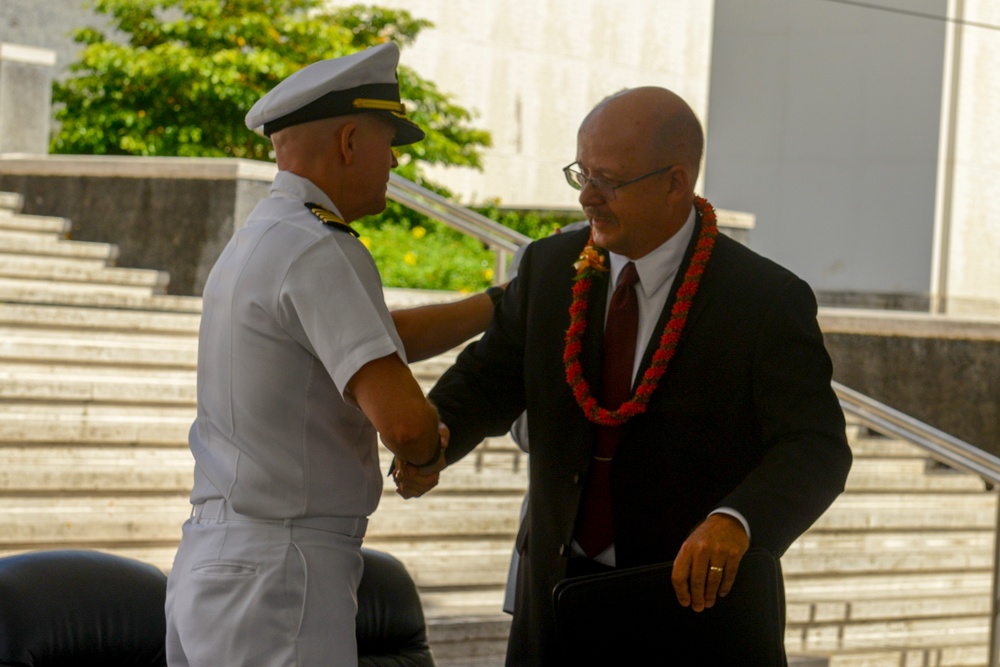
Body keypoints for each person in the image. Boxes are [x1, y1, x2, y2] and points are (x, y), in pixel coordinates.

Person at [407, 86, 853, 664]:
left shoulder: (764, 300)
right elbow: (488, 379)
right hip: (557, 613)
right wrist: (435, 434)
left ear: (676, 181)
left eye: (609, 180)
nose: (587, 198)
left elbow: (816, 448)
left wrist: (738, 521)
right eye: (581, 174)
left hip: (692, 620)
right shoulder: (549, 268)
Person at [165, 43, 496, 666]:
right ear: (348, 141)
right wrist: (426, 451)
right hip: (284, 573)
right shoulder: (320, 247)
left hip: (217, 564)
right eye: (388, 140)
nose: (394, 160)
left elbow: (374, 335)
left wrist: (495, 306)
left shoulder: (265, 236)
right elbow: (402, 421)